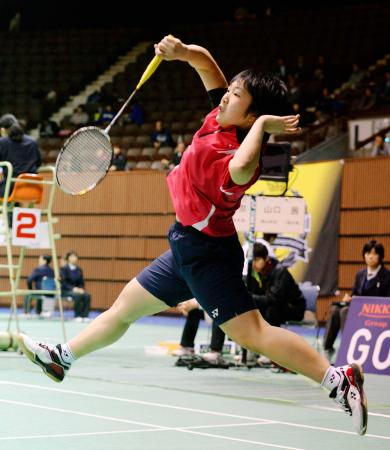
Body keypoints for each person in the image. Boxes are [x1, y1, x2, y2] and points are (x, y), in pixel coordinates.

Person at [18, 35, 367, 436]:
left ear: (252, 119)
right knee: (124, 308)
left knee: (254, 334)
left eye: (236, 96)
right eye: (231, 91)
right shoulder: (220, 118)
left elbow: (244, 163)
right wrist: (182, 53)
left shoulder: (237, 157)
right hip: (184, 245)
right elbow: (208, 66)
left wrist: (264, 128)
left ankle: (337, 380)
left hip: (208, 256)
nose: (225, 97)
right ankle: (63, 357)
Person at [323, 240, 390, 362]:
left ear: (380, 256)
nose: (370, 256)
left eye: (374, 253)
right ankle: (328, 348)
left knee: (344, 312)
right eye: (368, 253)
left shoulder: (387, 275)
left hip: (375, 312)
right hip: (358, 309)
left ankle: (347, 348)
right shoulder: (361, 274)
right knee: (334, 310)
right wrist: (349, 298)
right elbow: (355, 293)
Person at [0, 114, 42, 197]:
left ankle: (8, 209)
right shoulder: (32, 141)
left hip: (11, 186)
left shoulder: (3, 142)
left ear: (3, 130)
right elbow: (39, 163)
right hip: (33, 185)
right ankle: (12, 209)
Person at [60, 251, 91, 322]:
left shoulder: (79, 269)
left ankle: (85, 316)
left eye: (75, 256)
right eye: (72, 256)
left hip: (77, 290)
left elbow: (81, 282)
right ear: (68, 258)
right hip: (66, 290)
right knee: (78, 296)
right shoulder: (64, 269)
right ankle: (77, 315)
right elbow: (63, 283)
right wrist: (73, 289)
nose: (74, 258)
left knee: (87, 295)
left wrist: (81, 289)